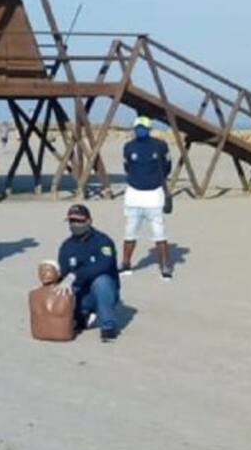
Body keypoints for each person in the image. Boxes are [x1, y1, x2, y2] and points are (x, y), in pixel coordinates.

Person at [55, 204, 122, 342]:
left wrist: (75, 275)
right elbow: (64, 272)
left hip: (102, 292)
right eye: (72, 221)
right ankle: (82, 316)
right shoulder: (66, 246)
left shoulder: (103, 241)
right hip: (79, 292)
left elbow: (103, 266)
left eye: (79, 221)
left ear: (89, 221)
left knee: (102, 281)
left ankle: (107, 326)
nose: (75, 224)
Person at [120, 115, 173, 279]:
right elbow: (127, 166)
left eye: (143, 127)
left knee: (159, 232)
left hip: (154, 194)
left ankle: (164, 266)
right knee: (130, 231)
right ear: (134, 129)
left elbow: (167, 166)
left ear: (149, 129)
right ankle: (126, 264)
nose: (140, 130)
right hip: (133, 194)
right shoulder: (128, 147)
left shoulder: (160, 145)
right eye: (138, 128)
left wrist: (155, 180)